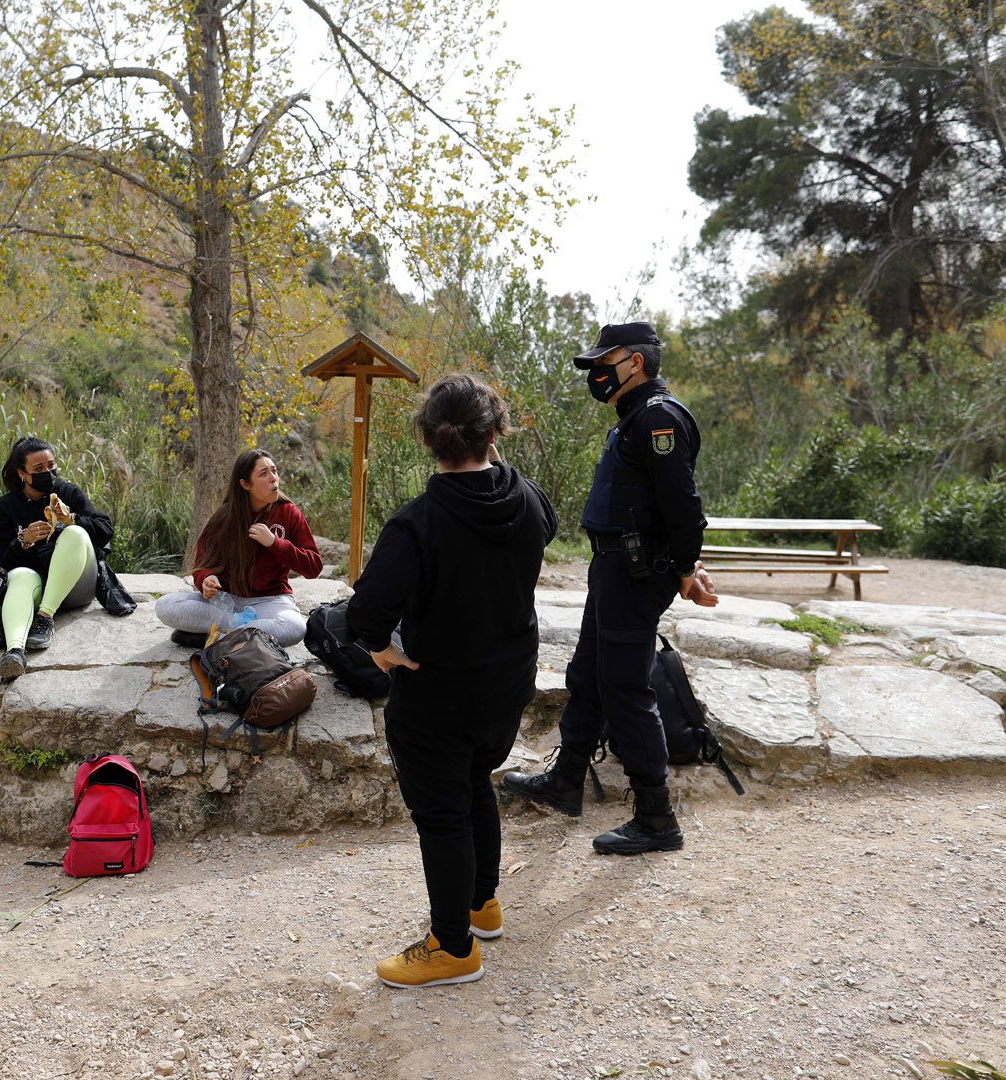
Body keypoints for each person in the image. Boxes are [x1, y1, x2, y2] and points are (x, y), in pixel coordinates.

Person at [347, 374, 557, 989]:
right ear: (494, 434)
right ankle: (481, 904)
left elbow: (365, 616)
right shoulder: (528, 499)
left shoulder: (417, 524)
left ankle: (453, 946)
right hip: (506, 683)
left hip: (437, 693)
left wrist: (386, 653)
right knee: (475, 785)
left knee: (442, 813)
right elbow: (541, 527)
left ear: (427, 441)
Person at [504, 321, 718, 855]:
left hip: (636, 571)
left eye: (606, 361)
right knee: (590, 675)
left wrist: (685, 567)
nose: (597, 371)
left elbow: (685, 508)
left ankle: (656, 817)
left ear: (636, 362)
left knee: (625, 686)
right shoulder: (634, 419)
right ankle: (566, 781)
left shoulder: (658, 419)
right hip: (614, 567)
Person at [156, 449, 322, 648]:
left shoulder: (288, 513)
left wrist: (275, 543)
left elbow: (314, 567)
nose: (273, 478)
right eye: (264, 474)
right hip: (227, 603)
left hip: (269, 603)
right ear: (245, 484)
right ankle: (242, 635)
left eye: (274, 471)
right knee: (166, 606)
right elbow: (202, 564)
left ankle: (217, 637)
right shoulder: (225, 517)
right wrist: (206, 580)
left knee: (294, 628)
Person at [0, 436, 114, 680]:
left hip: (78, 586)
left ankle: (45, 619)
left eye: (51, 465)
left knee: (75, 533)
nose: (48, 472)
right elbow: (0, 562)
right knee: (19, 575)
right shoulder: (6, 508)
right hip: (39, 585)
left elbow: (106, 529)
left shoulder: (68, 492)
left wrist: (73, 519)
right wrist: (24, 540)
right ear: (22, 474)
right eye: (39, 469)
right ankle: (14, 652)